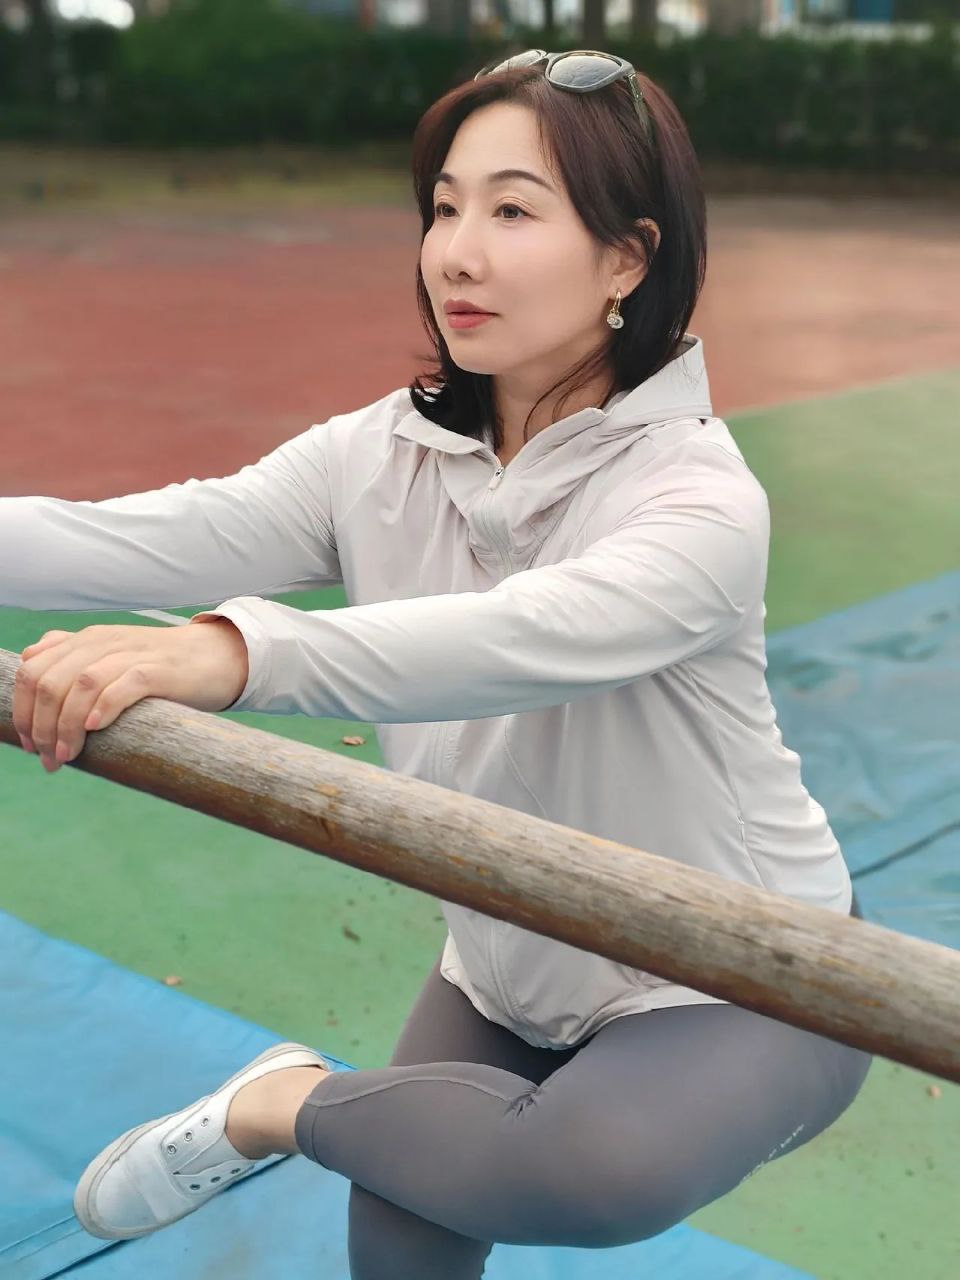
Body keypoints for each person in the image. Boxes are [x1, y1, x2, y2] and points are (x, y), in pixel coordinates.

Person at [3, 50, 872, 1280]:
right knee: (401, 1247)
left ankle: (278, 1102)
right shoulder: (383, 453)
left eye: (513, 211)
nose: (457, 253)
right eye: (445, 208)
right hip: (509, 950)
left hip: (741, 971)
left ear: (627, 259)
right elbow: (138, 537)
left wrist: (230, 646)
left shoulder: (698, 499)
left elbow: (515, 635)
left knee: (592, 1171)